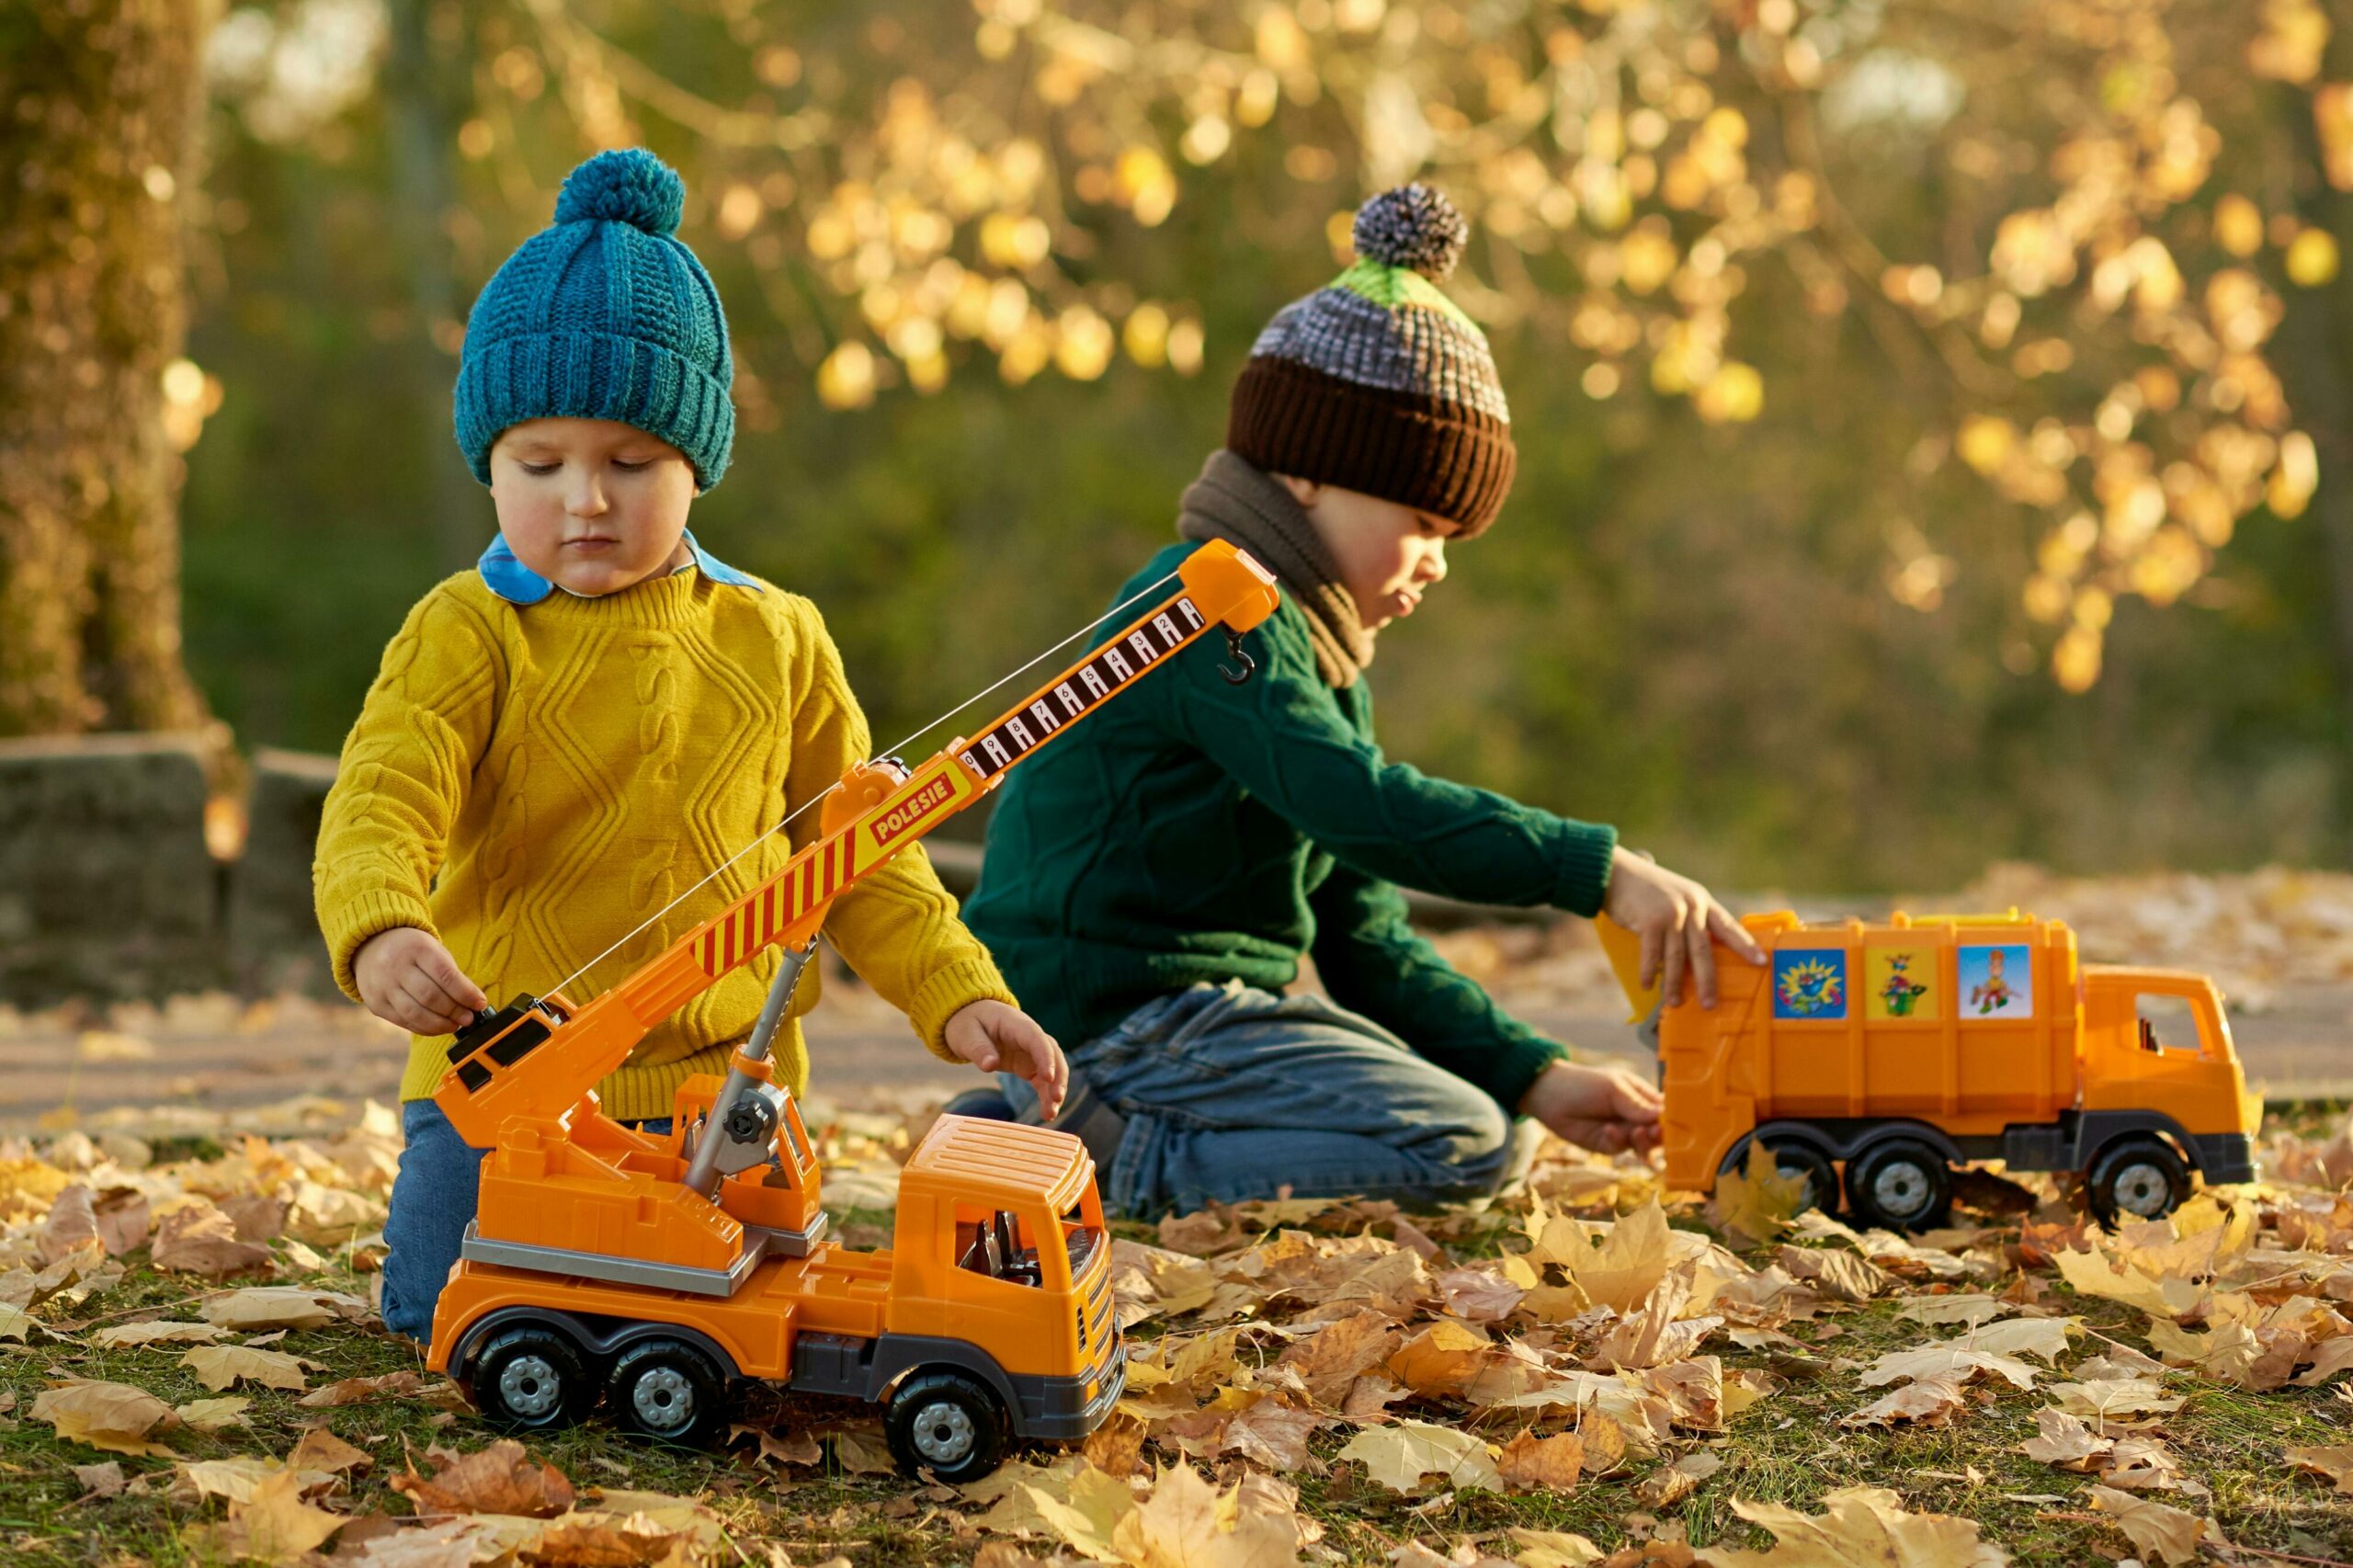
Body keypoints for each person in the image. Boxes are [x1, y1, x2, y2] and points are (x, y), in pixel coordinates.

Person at [313, 149, 1064, 1341]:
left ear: (698, 461)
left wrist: (957, 996)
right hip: (506, 1093)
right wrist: (382, 924)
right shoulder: (468, 629)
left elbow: (867, 853)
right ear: (490, 463)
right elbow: (381, 797)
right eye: (539, 463)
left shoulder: (778, 637)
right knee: (441, 1320)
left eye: (632, 462)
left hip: (725, 1090)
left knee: (756, 1326)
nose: (585, 501)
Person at [959, 184, 1761, 1218]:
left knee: (1490, 1114)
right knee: (1461, 1141)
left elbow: (1362, 936)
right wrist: (1595, 869)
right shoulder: (1208, 611)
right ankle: (1094, 1159)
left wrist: (1534, 1074)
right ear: (1305, 473)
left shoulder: (1312, 648)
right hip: (1117, 1017)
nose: (1434, 563)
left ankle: (1063, 1136)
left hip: (1198, 1018)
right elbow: (1366, 809)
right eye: (1423, 521)